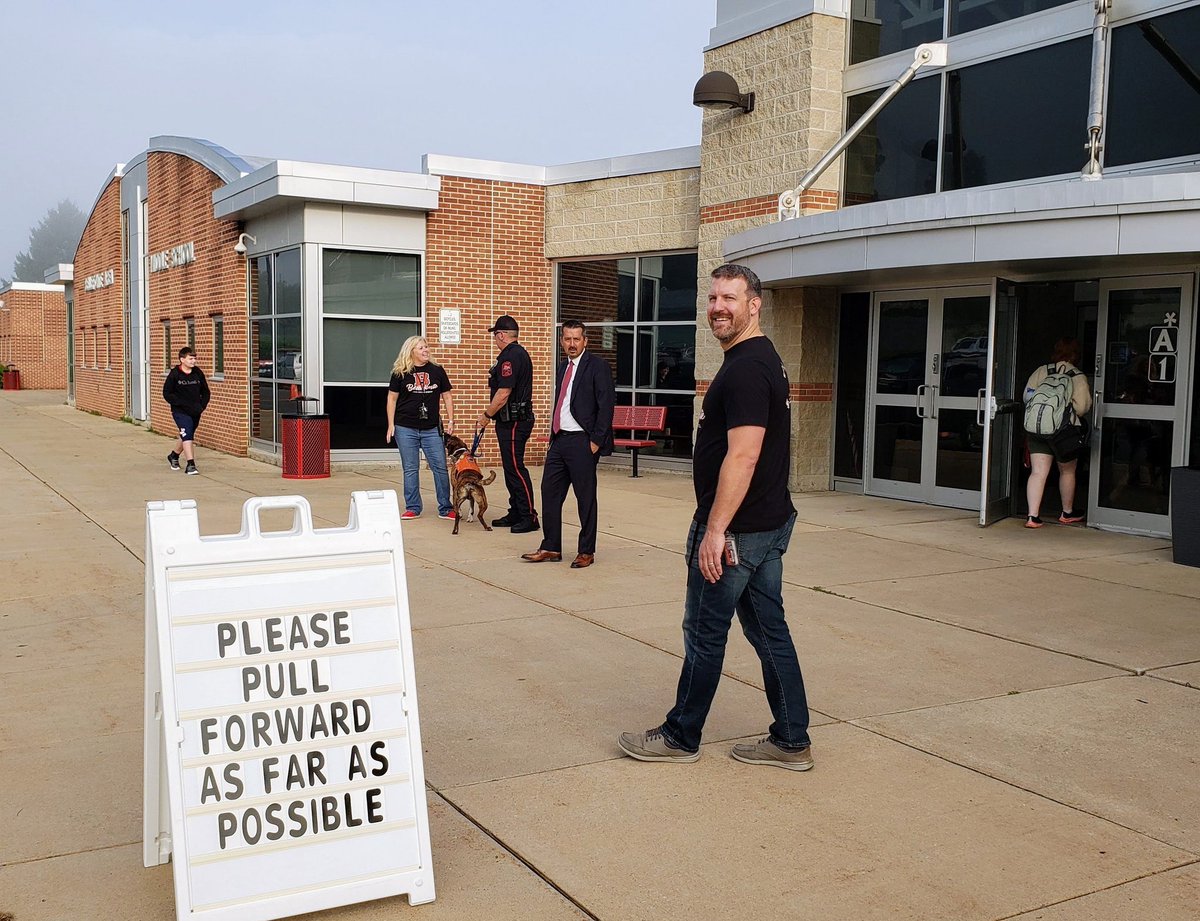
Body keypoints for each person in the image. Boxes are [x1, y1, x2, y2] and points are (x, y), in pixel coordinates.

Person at [618, 263, 813, 772]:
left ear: (754, 305)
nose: (717, 308)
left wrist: (716, 530)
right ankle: (791, 739)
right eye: (712, 298)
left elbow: (743, 456)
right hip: (765, 523)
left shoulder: (747, 367)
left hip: (739, 532)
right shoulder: (760, 358)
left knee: (705, 632)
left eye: (730, 298)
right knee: (770, 632)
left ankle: (681, 736)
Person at [522, 320, 615, 568]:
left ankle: (586, 551)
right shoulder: (563, 366)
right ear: (561, 340)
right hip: (559, 440)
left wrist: (595, 441)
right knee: (550, 493)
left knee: (585, 499)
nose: (572, 344)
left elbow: (606, 405)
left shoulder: (598, 366)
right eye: (567, 339)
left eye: (576, 339)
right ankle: (551, 547)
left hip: (582, 441)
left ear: (585, 341)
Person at [476, 315, 538, 534]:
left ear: (501, 335)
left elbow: (503, 393)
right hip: (510, 420)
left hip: (514, 421)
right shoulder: (517, 353)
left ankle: (529, 516)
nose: (495, 340)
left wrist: (486, 415)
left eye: (495, 335)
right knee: (510, 469)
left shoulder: (510, 357)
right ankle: (516, 512)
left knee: (516, 468)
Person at [1022, 337, 1092, 528]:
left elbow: (1027, 397)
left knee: (1038, 472)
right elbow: (1082, 407)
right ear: (1076, 355)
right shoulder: (1077, 376)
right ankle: (1067, 512)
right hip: (1063, 432)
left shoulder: (1042, 371)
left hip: (1037, 428)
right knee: (1067, 471)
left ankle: (1032, 516)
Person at [386, 336, 456, 520]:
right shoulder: (400, 372)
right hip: (405, 427)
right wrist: (391, 424)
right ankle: (413, 507)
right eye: (421, 348)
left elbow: (447, 396)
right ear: (411, 351)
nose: (426, 350)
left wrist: (451, 420)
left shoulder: (437, 370)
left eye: (426, 347)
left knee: (440, 467)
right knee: (410, 468)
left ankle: (446, 507)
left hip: (431, 428)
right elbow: (392, 399)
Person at [164, 345, 210, 476]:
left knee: (186, 434)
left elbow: (206, 392)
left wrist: (202, 406)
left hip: (195, 411)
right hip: (180, 411)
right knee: (187, 434)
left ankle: (174, 455)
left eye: (194, 358)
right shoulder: (175, 374)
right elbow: (167, 393)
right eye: (190, 359)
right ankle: (191, 464)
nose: (193, 361)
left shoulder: (197, 373)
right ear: (182, 359)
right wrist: (180, 403)